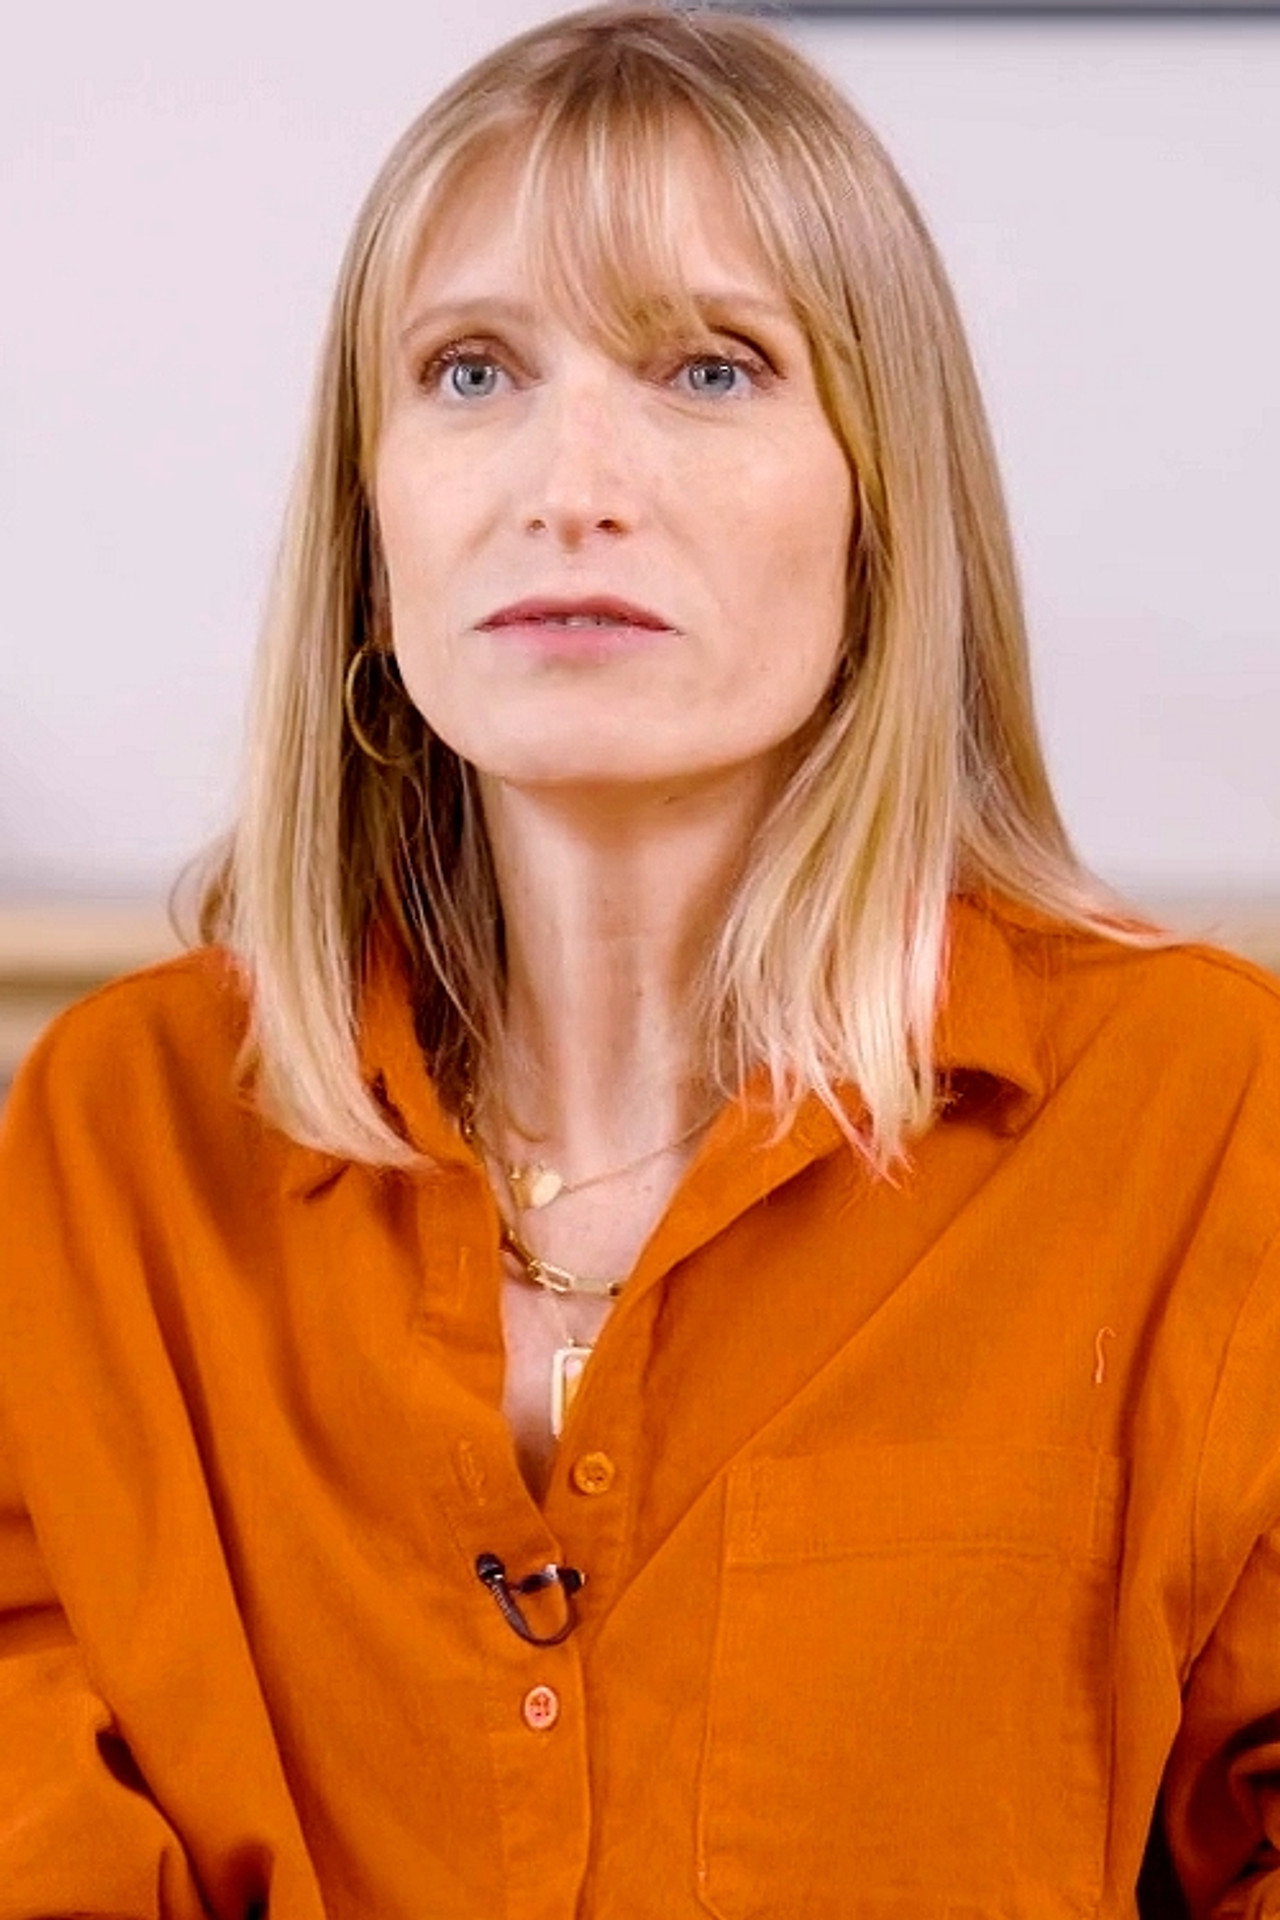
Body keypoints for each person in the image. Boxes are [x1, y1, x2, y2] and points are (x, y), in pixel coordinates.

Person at [0, 2, 1277, 1914]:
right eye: (472, 371)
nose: (569, 482)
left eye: (706, 369)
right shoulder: (117, 1133)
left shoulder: (1204, 1112)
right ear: (372, 528)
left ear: (884, 506)